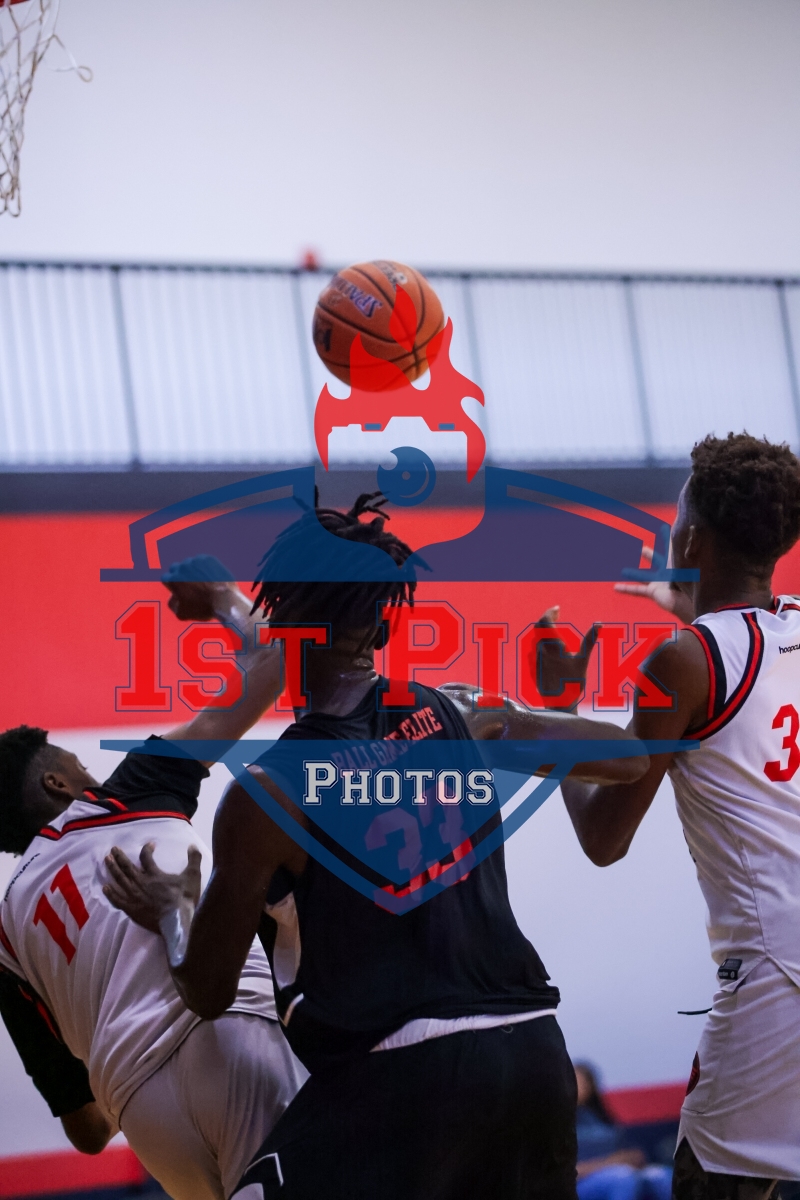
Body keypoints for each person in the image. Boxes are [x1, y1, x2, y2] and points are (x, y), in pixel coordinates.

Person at [103, 492, 650, 1200]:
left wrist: (173, 909)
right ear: (384, 621)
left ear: (284, 625)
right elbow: (632, 757)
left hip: (404, 1082)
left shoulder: (268, 795)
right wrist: (552, 709)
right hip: (534, 1056)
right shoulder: (464, 712)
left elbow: (207, 990)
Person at [0, 563, 307, 1200]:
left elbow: (88, 1130)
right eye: (80, 767)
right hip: (225, 1036)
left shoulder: (7, 933)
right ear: (58, 784)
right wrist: (221, 596)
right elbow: (274, 663)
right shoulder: (127, 791)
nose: (93, 774)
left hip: (144, 1113)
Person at [558, 433, 800, 1200]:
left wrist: (557, 712)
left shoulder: (683, 662)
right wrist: (693, 608)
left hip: (779, 974)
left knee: (708, 1184)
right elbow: (747, 643)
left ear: (690, 539)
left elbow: (604, 837)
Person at [574, 1062, 671, 1200]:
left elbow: (636, 1154)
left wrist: (630, 1159)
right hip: (584, 1182)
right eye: (574, 1081)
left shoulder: (603, 1119)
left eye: (584, 1082)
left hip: (623, 1170)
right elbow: (563, 1172)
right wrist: (610, 1163)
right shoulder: (556, 1124)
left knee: (662, 1176)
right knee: (623, 1179)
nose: (579, 1087)